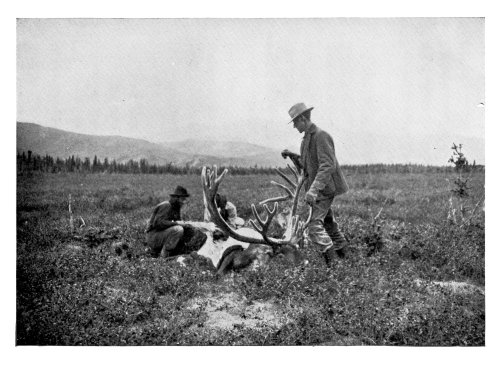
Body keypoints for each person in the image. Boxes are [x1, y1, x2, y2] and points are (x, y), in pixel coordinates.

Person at [281, 102, 349, 267]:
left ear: (303, 119)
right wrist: (292, 156)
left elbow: (327, 165)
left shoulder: (321, 136)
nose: (294, 126)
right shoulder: (306, 140)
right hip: (319, 189)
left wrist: (313, 191)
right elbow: (308, 165)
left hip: (324, 189)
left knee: (313, 227)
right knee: (328, 223)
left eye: (295, 122)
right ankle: (345, 256)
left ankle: (335, 267)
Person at [145, 185, 190, 258]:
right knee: (178, 230)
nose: (183, 202)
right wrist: (177, 223)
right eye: (182, 199)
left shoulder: (175, 208)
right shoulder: (166, 206)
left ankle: (171, 253)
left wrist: (184, 224)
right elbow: (158, 223)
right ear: (176, 198)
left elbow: (176, 221)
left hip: (159, 235)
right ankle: (164, 256)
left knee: (183, 229)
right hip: (153, 236)